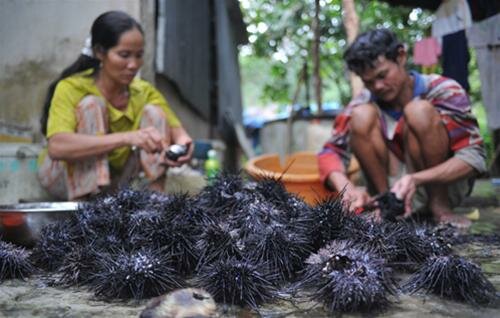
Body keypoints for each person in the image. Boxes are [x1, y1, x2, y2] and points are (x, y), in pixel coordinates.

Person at [317, 28, 486, 228]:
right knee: (361, 114)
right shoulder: (361, 104)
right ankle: (386, 206)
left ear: (401, 57)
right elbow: (330, 152)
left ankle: (439, 207)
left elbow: (473, 157)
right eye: (369, 82)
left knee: (419, 111)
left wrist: (416, 179)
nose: (378, 86)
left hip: (440, 188)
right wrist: (346, 188)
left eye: (383, 75)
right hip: (389, 189)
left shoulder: (444, 91)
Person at [38, 10, 193, 200]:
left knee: (154, 113)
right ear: (100, 53)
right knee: (91, 105)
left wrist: (183, 148)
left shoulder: (143, 91)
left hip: (115, 181)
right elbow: (57, 147)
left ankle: (156, 202)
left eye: (139, 55)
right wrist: (128, 138)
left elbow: (181, 136)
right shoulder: (71, 87)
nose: (133, 64)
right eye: (124, 55)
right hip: (62, 178)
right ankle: (86, 207)